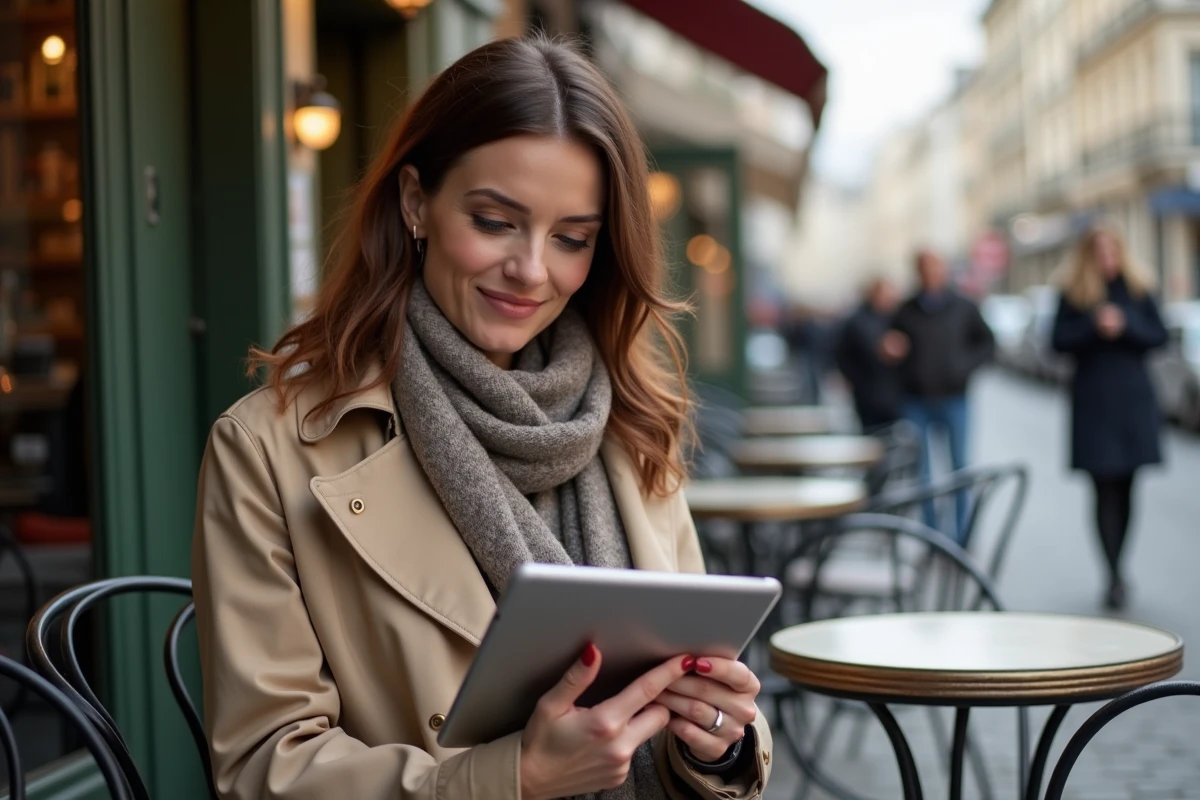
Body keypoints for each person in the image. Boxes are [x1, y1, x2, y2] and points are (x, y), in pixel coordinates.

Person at [190, 36, 771, 800]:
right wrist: (513, 779)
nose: (533, 269)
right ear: (414, 202)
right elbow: (263, 765)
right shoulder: (269, 448)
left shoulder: (628, 420)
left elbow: (703, 684)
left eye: (572, 239)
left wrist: (719, 745)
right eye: (496, 221)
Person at [1051, 223, 1166, 611]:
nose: (1105, 258)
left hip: (1133, 402)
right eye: (1097, 251)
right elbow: (1057, 342)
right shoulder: (1074, 293)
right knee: (1102, 488)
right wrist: (1093, 326)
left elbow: (1159, 336)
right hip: (1094, 404)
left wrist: (1126, 325)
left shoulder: (1138, 288)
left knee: (1128, 487)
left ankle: (1120, 565)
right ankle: (1113, 573)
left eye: (1110, 250)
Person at [881, 249, 995, 538]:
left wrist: (963, 368)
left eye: (936, 267)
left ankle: (961, 536)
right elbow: (890, 346)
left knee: (959, 468)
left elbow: (987, 343)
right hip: (916, 399)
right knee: (923, 472)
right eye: (925, 268)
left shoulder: (963, 306)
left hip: (954, 398)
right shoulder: (906, 310)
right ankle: (932, 535)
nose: (931, 273)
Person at [834, 277, 902, 432]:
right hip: (867, 391)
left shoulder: (899, 318)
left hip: (896, 392)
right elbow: (843, 354)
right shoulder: (857, 321)